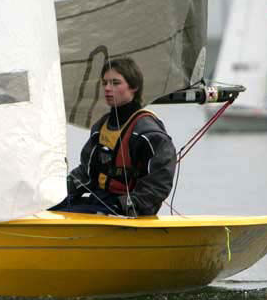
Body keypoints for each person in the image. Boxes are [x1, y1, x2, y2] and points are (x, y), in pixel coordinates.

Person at [52, 57, 176, 217]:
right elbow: (86, 174)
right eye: (105, 83)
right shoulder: (100, 128)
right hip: (100, 200)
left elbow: (160, 183)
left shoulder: (147, 133)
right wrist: (54, 192)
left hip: (128, 209)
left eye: (115, 83)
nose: (108, 89)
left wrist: (126, 204)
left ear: (134, 87)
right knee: (46, 207)